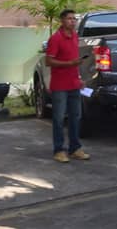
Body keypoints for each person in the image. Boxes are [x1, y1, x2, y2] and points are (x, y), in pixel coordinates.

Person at [45, 9, 90, 163]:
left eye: (74, 19)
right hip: (59, 86)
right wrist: (68, 64)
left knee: (75, 117)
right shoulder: (55, 39)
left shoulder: (75, 37)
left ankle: (75, 148)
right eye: (69, 19)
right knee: (58, 118)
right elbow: (48, 61)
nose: (73, 21)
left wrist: (79, 78)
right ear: (62, 21)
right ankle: (58, 150)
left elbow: (75, 61)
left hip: (74, 84)